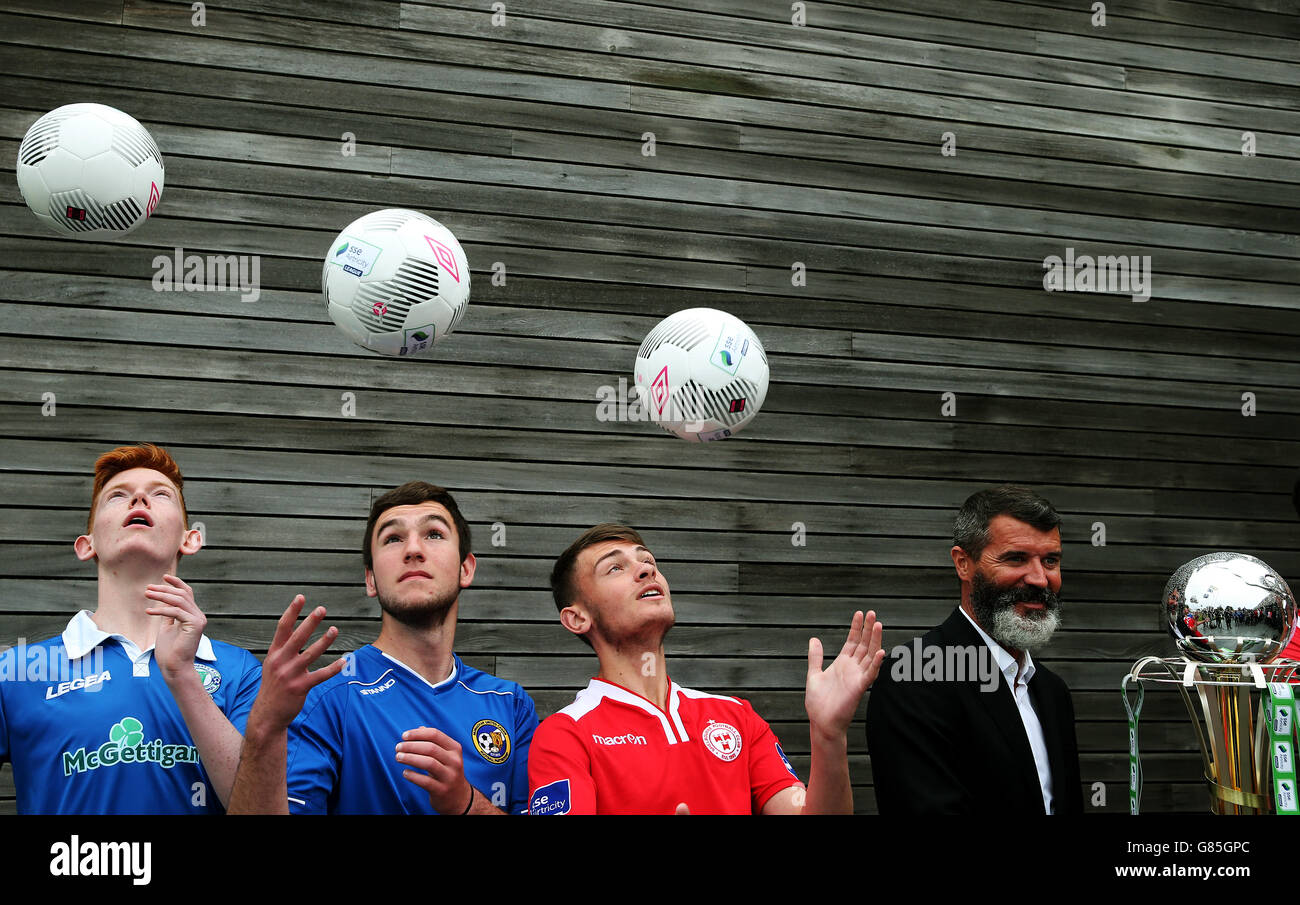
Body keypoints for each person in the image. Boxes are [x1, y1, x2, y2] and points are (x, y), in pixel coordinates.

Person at [526, 523, 884, 814]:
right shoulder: (564, 736)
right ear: (577, 618)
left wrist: (828, 736)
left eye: (647, 561)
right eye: (615, 567)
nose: (646, 570)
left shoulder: (736, 716)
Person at [229, 481, 538, 814]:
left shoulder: (511, 704)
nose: (413, 549)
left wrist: (465, 803)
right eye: (393, 538)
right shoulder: (324, 698)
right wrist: (263, 728)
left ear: (466, 568)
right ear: (371, 580)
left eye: (434, 534)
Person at [0, 443, 261, 814]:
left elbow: (260, 808)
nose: (139, 497)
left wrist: (183, 675)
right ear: (86, 545)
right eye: (117, 496)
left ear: (191, 538)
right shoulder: (18, 672)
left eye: (160, 494)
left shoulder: (241, 672)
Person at [865, 484, 1083, 815]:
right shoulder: (915, 675)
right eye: (1016, 558)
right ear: (963, 563)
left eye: (1050, 560)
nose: (1039, 578)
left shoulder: (1052, 692)